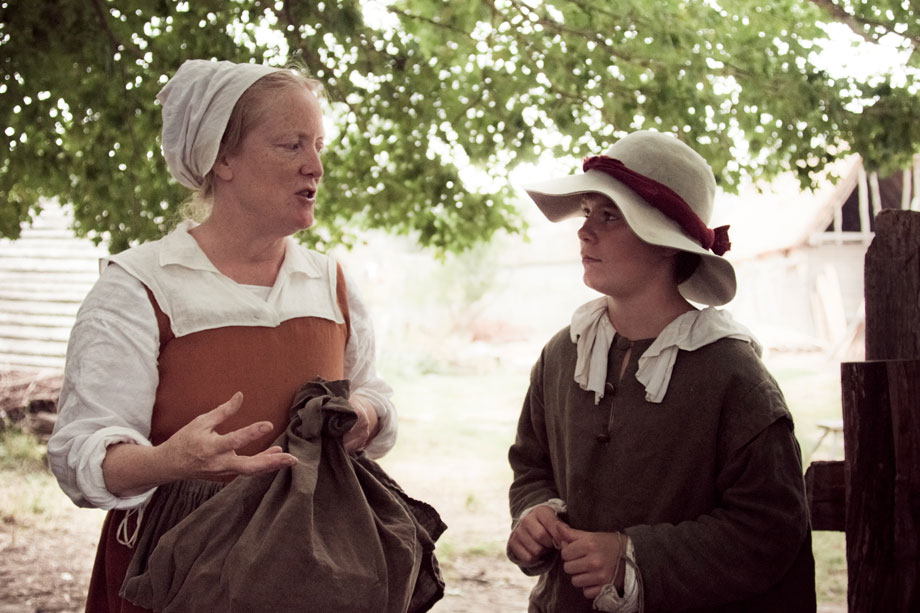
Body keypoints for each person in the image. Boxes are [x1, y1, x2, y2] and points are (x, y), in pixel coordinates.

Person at [48, 59, 400, 611]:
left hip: (313, 565)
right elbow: (81, 453)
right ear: (223, 158)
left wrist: (364, 416)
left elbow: (373, 392)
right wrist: (170, 461)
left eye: (318, 146)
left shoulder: (330, 281)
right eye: (290, 145)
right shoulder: (141, 286)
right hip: (177, 569)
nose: (315, 166)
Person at [506, 130, 815, 612]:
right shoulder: (562, 355)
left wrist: (635, 557)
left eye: (610, 216)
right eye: (587, 212)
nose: (585, 231)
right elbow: (531, 466)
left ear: (666, 243)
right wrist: (534, 514)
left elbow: (769, 528)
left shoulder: (734, 376)